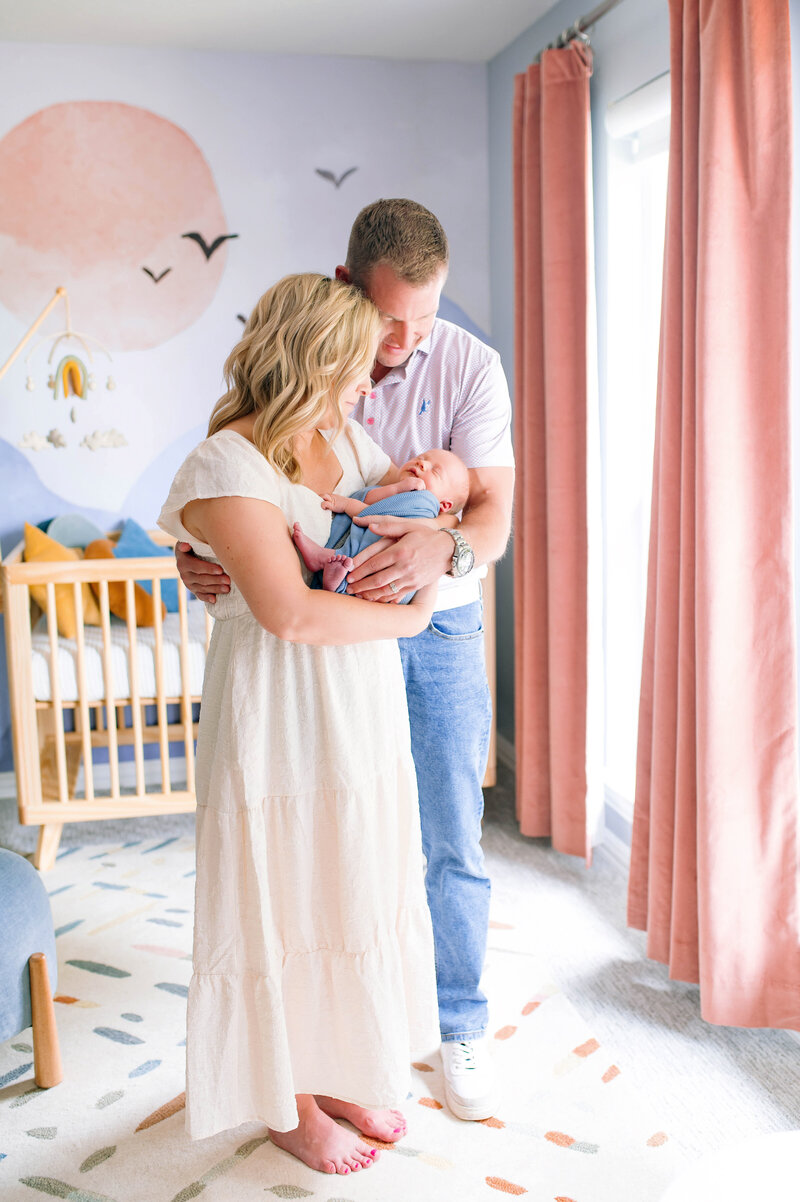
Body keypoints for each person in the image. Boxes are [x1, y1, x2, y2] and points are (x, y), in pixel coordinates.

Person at [176, 199, 515, 1122]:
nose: (402, 345)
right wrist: (209, 549)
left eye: (423, 318)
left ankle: (447, 1030)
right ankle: (300, 1086)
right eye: (389, 323)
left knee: (431, 839)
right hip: (308, 669)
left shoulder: (461, 373)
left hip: (416, 630)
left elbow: (491, 515)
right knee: (309, 862)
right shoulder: (303, 390)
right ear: (346, 296)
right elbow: (259, 513)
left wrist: (439, 549)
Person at [159, 273, 440, 1176]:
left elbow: (411, 529)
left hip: (355, 701)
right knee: (282, 889)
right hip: (278, 706)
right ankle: (291, 1099)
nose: (370, 386)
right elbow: (291, 614)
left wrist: (427, 552)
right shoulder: (225, 465)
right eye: (358, 367)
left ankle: (342, 1062)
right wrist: (408, 618)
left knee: (350, 876)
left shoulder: (342, 438)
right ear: (317, 359)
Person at [292, 447, 470, 598]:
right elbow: (370, 501)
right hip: (369, 581)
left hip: (388, 571)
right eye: (419, 458)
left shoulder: (424, 503)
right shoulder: (396, 492)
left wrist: (346, 504)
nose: (421, 464)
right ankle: (334, 577)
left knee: (375, 544)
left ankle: (328, 562)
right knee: (357, 545)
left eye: (435, 471)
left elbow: (371, 512)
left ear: (445, 505)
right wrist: (396, 489)